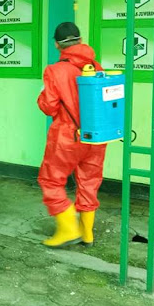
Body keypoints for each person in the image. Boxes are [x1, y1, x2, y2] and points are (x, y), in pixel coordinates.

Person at [37, 22, 107, 248]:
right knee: (89, 182)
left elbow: (48, 107)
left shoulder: (54, 71)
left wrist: (43, 96)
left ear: (57, 45)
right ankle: (87, 233)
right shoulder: (96, 66)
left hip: (67, 136)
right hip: (96, 137)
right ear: (80, 40)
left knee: (50, 180)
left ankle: (69, 229)